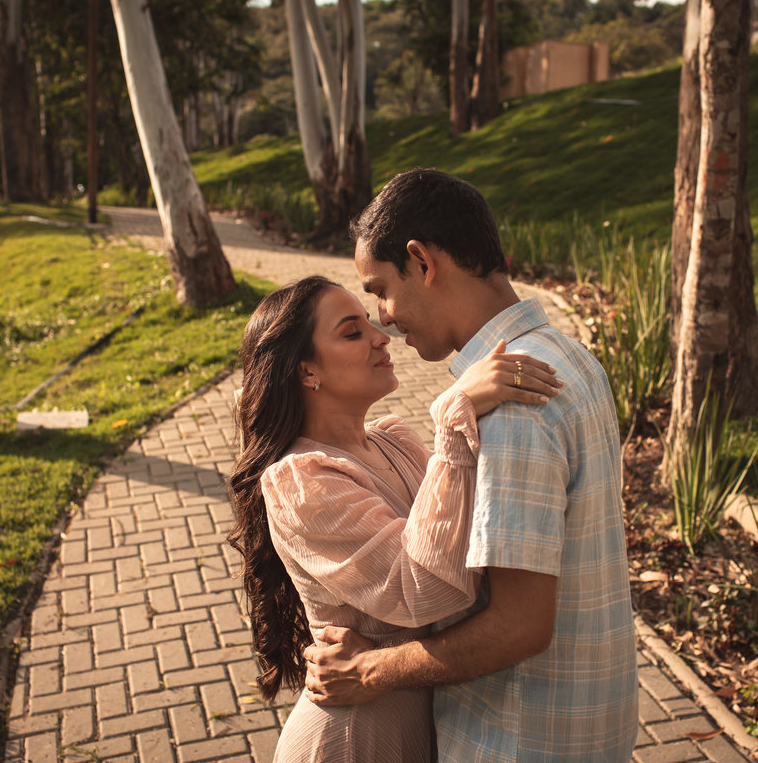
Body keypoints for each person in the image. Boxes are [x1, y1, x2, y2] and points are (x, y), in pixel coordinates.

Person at [302, 168, 638, 761]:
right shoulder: (568, 356)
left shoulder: (512, 405)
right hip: (584, 720)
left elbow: (519, 626)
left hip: (519, 736)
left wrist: (372, 671)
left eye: (380, 288)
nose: (382, 315)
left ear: (422, 262)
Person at [228, 274, 562, 762]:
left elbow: (466, 547)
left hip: (424, 722)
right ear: (305, 372)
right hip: (353, 738)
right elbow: (425, 590)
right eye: (352, 332)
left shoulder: (394, 441)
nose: (382, 335)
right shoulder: (301, 480)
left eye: (369, 322)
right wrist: (452, 416)